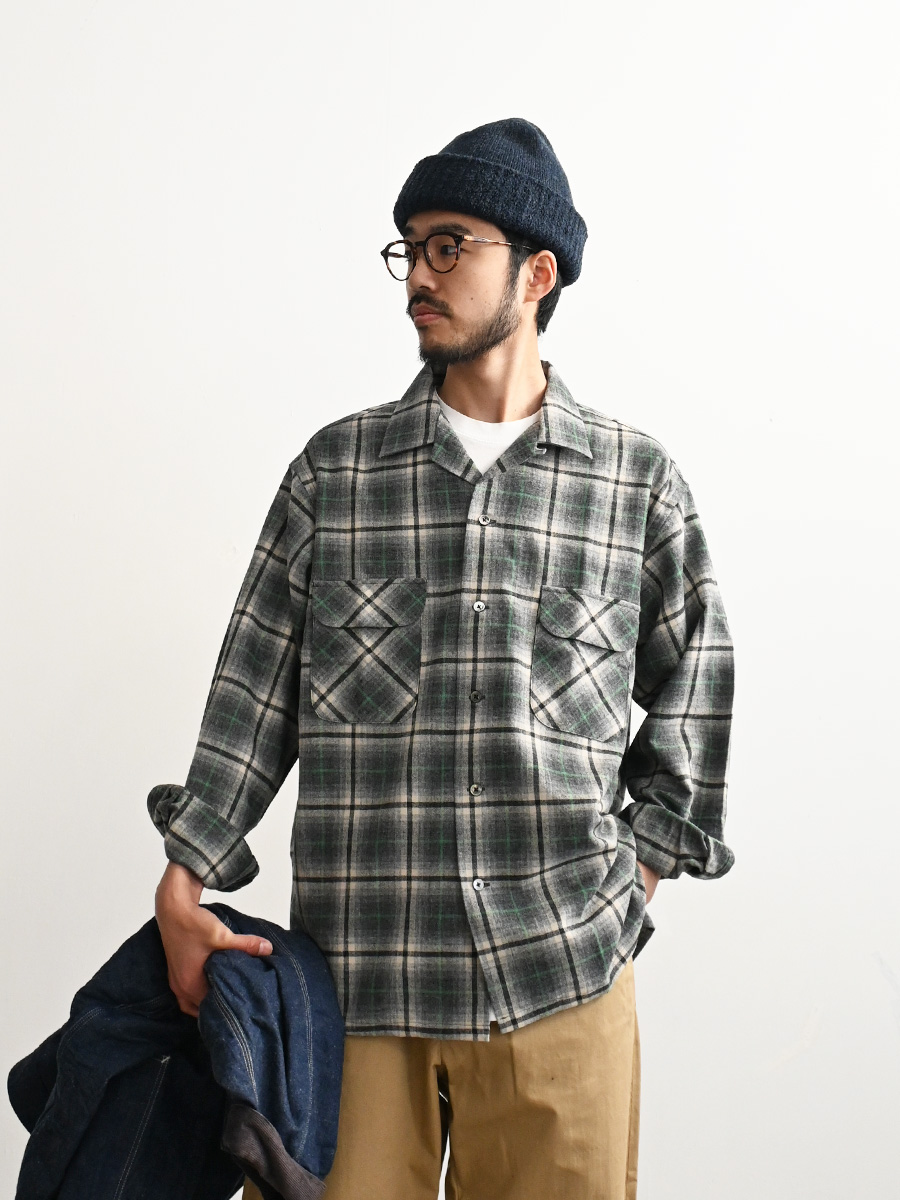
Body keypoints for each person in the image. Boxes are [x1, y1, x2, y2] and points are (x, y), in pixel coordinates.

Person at [150, 117, 735, 1200]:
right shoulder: (336, 475)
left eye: (450, 246)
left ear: (537, 273)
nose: (419, 274)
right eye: (410, 248)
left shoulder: (636, 486)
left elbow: (696, 693)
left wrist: (635, 881)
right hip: (356, 998)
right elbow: (252, 693)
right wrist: (184, 883)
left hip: (561, 982)